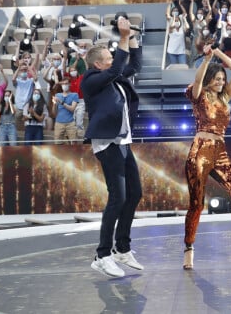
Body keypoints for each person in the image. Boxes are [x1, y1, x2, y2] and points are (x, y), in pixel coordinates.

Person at [183, 45, 231, 270]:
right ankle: (189, 249)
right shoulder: (198, 95)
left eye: (221, 78)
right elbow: (198, 81)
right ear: (209, 78)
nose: (220, 82)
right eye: (216, 79)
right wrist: (207, 60)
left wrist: (218, 53)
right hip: (200, 150)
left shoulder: (225, 97)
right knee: (196, 203)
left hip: (220, 151)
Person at [81, 17, 143, 278]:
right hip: (107, 144)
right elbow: (117, 67)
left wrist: (134, 40)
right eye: (108, 56)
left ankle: (122, 248)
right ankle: (102, 254)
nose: (113, 58)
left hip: (123, 142)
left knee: (134, 193)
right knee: (117, 197)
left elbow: (134, 65)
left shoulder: (114, 77)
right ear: (98, 63)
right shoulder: (91, 79)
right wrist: (123, 38)